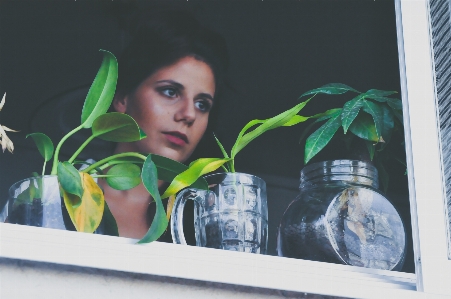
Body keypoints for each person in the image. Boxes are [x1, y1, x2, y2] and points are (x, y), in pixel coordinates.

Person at [96, 10, 229, 239]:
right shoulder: (59, 195)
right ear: (122, 98)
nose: (189, 114)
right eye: (170, 92)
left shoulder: (208, 219)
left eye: (202, 104)